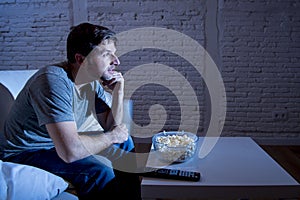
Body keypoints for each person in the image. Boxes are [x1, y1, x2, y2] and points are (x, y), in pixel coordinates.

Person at [0, 22, 141, 199]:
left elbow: (111, 126)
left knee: (125, 143)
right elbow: (70, 152)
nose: (117, 61)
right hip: (25, 152)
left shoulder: (90, 79)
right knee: (98, 172)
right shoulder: (53, 82)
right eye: (107, 55)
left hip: (56, 144)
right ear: (81, 59)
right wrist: (112, 136)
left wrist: (118, 91)